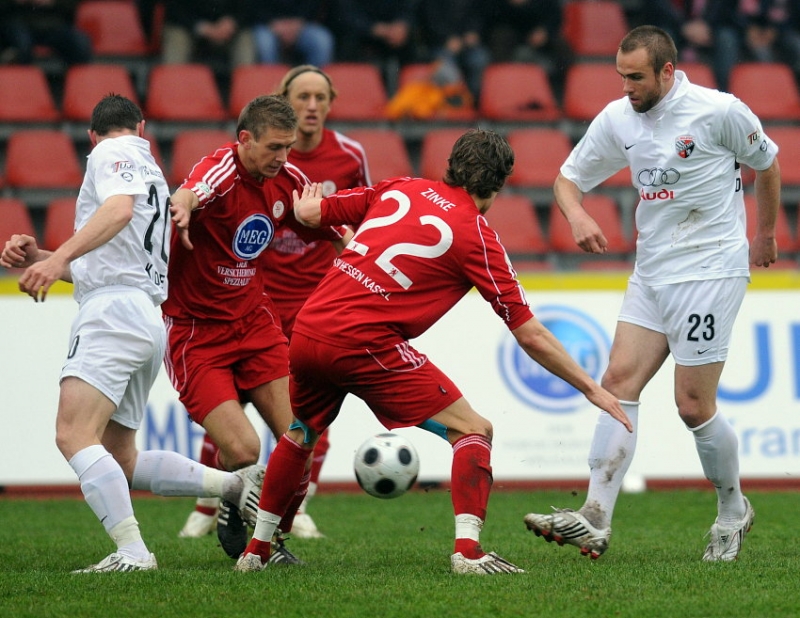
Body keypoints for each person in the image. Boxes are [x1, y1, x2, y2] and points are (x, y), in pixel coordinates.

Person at [232, 128, 632, 573]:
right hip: (364, 340)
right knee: (473, 430)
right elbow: (530, 334)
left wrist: (310, 209)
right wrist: (590, 388)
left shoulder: (402, 187)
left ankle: (257, 551)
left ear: (451, 165)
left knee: (301, 432)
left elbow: (314, 211)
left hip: (310, 328)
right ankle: (468, 552)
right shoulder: (476, 234)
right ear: (497, 187)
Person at [524, 25, 780, 562]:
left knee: (692, 405)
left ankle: (733, 511)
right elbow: (567, 181)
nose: (626, 88)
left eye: (635, 77)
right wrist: (575, 215)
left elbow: (767, 163)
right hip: (653, 269)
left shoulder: (718, 111)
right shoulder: (620, 117)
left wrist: (765, 233)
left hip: (711, 268)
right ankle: (593, 518)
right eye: (621, 76)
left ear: (667, 71)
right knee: (616, 384)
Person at [0, 94, 264, 573]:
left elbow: (118, 211)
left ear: (91, 136)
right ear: (143, 127)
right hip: (141, 314)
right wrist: (43, 256)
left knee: (72, 434)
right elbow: (106, 265)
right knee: (119, 456)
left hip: (113, 317)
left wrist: (58, 257)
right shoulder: (153, 174)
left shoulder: (110, 153)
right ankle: (233, 486)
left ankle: (133, 552)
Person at [178, 66, 370, 540]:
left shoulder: (301, 172)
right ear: (246, 138)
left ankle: (272, 532)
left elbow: (332, 220)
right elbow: (195, 188)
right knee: (240, 444)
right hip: (201, 328)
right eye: (273, 148)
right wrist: (182, 204)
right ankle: (219, 500)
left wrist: (362, 257)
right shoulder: (223, 169)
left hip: (266, 317)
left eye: (287, 148)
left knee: (301, 432)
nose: (282, 158)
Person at [160, 0, 255, 69]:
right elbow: (173, 9)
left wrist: (233, 21)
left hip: (228, 29)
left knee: (245, 41)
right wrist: (202, 27)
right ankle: (174, 90)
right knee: (176, 39)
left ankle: (246, 92)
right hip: (188, 26)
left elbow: (249, 6)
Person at [0, 0, 92, 66]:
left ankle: (74, 87)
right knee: (22, 46)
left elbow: (73, 4)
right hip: (18, 23)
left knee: (80, 43)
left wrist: (53, 2)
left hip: (53, 25)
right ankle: (21, 87)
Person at [251, 1, 334, 68]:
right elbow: (254, 6)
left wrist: (298, 23)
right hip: (269, 25)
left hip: (301, 24)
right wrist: (274, 24)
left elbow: (314, 5)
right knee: (265, 43)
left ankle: (315, 83)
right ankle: (271, 84)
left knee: (322, 40)